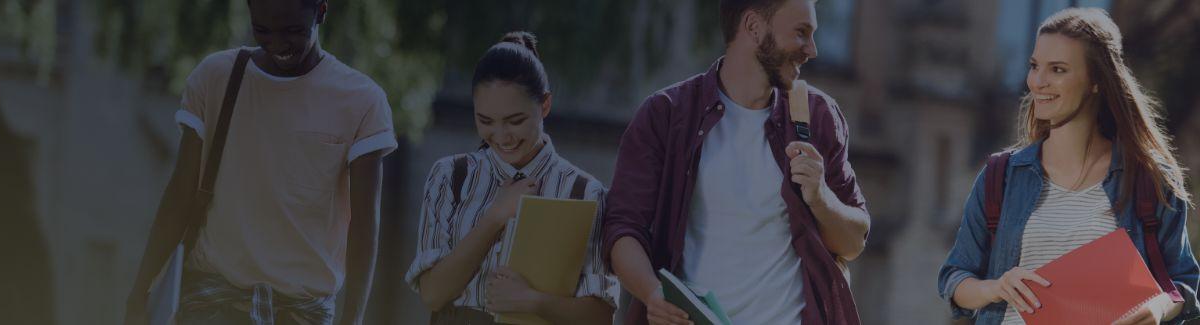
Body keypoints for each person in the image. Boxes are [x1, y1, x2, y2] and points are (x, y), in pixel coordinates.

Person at [122, 0, 396, 324]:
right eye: (262, 30)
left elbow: (364, 228)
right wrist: (140, 291)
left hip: (300, 313)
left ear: (321, 10)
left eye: (293, 30)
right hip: (212, 305)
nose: (278, 44)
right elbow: (179, 195)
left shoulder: (361, 101)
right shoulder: (215, 79)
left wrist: (352, 320)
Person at [600, 0, 871, 324]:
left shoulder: (820, 116)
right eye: (801, 33)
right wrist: (652, 294)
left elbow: (854, 241)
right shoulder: (666, 114)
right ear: (754, 27)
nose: (812, 49)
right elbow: (622, 230)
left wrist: (821, 197)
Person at [938, 8, 1198, 325]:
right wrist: (996, 287)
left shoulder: (1149, 179)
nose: (1038, 82)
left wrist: (1156, 308)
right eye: (1034, 66)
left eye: (1058, 69)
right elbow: (954, 277)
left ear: (1096, 81)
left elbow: (1182, 283)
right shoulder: (1001, 176)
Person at [404, 31, 620, 324]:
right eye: (486, 121)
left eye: (515, 121)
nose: (502, 136)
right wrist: (495, 217)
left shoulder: (584, 193)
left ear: (545, 105)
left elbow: (602, 315)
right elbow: (433, 295)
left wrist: (532, 301)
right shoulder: (450, 176)